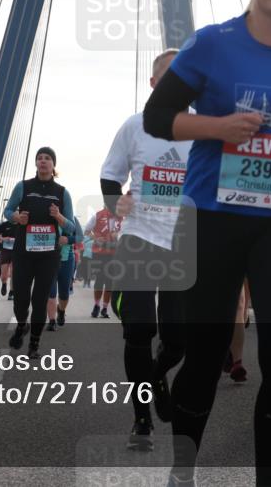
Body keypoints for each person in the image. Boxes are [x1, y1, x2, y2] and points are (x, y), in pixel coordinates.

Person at [143, 0, 271, 485]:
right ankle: (183, 473)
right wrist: (217, 127)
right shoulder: (211, 43)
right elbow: (160, 116)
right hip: (213, 217)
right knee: (202, 359)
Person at [101, 48, 192, 451]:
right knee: (139, 331)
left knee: (178, 341)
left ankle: (157, 374)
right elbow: (110, 175)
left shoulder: (204, 132)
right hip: (139, 240)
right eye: (169, 77)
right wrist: (112, 203)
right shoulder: (134, 127)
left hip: (182, 246)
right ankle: (142, 420)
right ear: (155, 85)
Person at [3, 147, 76, 359]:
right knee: (21, 300)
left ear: (54, 165)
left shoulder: (62, 192)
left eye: (47, 159)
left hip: (48, 255)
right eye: (39, 158)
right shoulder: (23, 187)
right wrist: (17, 218)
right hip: (24, 253)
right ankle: (22, 324)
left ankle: (34, 344)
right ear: (36, 163)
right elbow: (7, 211)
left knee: (40, 298)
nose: (43, 161)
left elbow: (71, 228)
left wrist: (59, 217)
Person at [47, 217, 82, 331]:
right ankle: (52, 321)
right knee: (50, 292)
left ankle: (61, 310)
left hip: (67, 260)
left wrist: (68, 240)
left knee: (64, 293)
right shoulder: (45, 216)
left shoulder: (72, 218)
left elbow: (80, 237)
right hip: (49, 260)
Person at [89, 207, 122, 318]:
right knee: (99, 279)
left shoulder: (122, 218)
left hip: (114, 253)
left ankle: (104, 308)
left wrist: (118, 236)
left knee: (110, 281)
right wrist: (96, 238)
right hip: (99, 253)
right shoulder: (97, 215)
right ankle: (96, 305)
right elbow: (87, 231)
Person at [0, 219, 18, 299]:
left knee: (13, 272)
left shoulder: (21, 224)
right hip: (5, 250)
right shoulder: (5, 224)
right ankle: (4, 284)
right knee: (4, 275)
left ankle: (12, 292)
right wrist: (3, 239)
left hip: (16, 251)